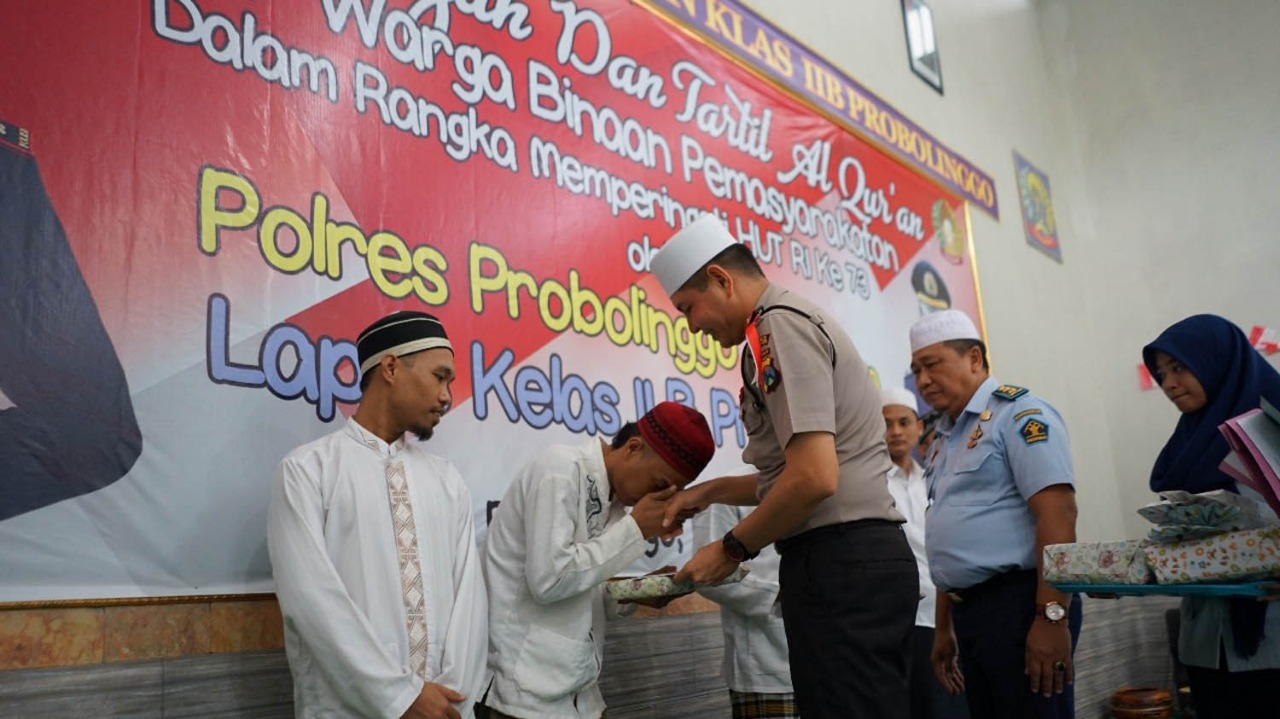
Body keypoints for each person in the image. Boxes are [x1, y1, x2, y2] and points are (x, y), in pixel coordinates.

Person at [651, 213, 918, 718]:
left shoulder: (779, 327)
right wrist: (703, 494)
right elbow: (789, 475)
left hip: (842, 562)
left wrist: (731, 548)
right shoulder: (779, 326)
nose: (692, 326)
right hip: (852, 560)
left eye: (689, 308)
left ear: (722, 280)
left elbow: (814, 479)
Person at [268, 311, 487, 719]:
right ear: (390, 367)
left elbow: (469, 604)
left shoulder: (447, 480)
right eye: (440, 377)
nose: (446, 396)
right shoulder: (308, 471)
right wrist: (402, 698)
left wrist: (450, 698)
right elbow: (313, 605)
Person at [479, 402, 715, 719]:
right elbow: (550, 581)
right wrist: (636, 530)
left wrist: (641, 592)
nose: (656, 498)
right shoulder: (561, 469)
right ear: (633, 448)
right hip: (522, 696)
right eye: (659, 485)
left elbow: (587, 590)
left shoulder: (613, 503)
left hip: (577, 694)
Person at [908, 309, 1081, 719]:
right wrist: (944, 627)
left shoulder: (1019, 416)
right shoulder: (944, 440)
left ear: (973, 358)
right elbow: (949, 540)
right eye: (916, 370)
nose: (923, 381)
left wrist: (1051, 618)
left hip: (1023, 605)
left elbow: (1058, 514)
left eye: (931, 365)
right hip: (971, 614)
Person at [1142, 314, 1280, 719]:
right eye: (1161, 373)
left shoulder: (1273, 423)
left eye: (1179, 368)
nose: (1168, 384)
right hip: (1207, 639)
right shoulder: (1189, 442)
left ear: (1216, 360)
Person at [881, 388, 969, 719]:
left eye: (903, 422)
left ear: (919, 427)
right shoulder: (871, 485)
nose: (895, 432)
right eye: (886, 424)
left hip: (949, 615)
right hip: (906, 622)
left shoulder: (931, 479)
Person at [691, 486, 796, 719]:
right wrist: (786, 595)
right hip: (768, 667)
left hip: (830, 661)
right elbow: (706, 576)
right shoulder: (725, 493)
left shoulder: (817, 483)